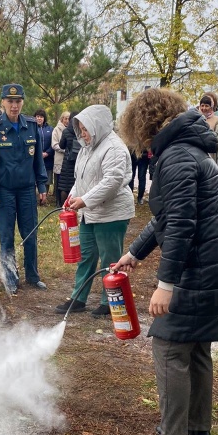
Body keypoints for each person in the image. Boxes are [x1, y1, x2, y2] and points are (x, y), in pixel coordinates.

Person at [114, 88, 218, 435]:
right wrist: (135, 252)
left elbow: (181, 225)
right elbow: (167, 216)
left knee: (170, 346)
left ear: (143, 123)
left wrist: (166, 284)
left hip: (206, 264)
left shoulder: (175, 156)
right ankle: (197, 427)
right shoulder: (189, 149)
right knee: (196, 345)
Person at [54, 105, 134, 317]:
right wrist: (72, 196)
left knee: (110, 259)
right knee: (86, 256)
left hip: (111, 214)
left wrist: (85, 200)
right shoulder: (87, 147)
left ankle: (110, 301)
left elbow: (112, 181)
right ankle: (78, 297)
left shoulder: (114, 148)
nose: (83, 133)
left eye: (86, 128)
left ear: (96, 125)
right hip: (89, 212)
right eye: (80, 128)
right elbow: (81, 178)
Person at [0, 84, 48, 294]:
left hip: (27, 190)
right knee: (7, 237)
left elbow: (38, 159)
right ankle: (10, 278)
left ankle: (32, 276)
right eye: (10, 101)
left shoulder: (31, 126)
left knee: (30, 234)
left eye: (18, 101)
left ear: (22, 103)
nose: (14, 105)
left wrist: (42, 184)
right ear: (3, 102)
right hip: (5, 192)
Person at [57, 111, 80, 206]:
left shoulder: (66, 131)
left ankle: (63, 206)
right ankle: (74, 205)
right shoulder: (80, 131)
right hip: (78, 160)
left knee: (64, 186)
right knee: (74, 184)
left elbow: (61, 146)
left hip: (67, 161)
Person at [52, 111, 70, 206]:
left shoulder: (71, 130)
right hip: (59, 159)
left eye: (68, 119)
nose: (67, 121)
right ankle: (58, 201)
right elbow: (54, 144)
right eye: (65, 119)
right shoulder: (56, 130)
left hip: (68, 160)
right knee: (58, 181)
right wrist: (65, 150)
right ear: (62, 119)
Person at [34, 108, 54, 194]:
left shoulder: (50, 129)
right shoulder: (31, 128)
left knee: (47, 178)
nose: (39, 118)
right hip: (35, 158)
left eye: (41, 117)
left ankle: (44, 197)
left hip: (48, 158)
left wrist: (47, 153)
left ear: (44, 118)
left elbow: (54, 143)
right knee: (35, 176)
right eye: (37, 116)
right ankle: (36, 196)